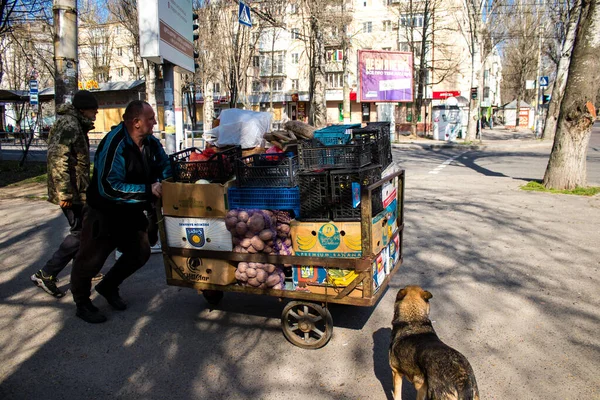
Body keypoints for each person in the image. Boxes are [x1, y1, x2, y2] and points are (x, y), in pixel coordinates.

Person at [70, 100, 171, 323]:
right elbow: (109, 186)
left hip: (130, 210)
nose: (155, 122)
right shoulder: (115, 144)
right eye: (151, 118)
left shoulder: (150, 142)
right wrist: (148, 189)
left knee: (140, 251)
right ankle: (82, 303)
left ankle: (108, 286)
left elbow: (164, 165)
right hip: (104, 211)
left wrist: (168, 178)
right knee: (90, 260)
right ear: (136, 122)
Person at [30, 90, 103, 298]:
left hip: (77, 189)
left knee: (84, 229)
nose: (95, 115)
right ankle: (46, 273)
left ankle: (83, 267)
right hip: (71, 191)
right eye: (93, 111)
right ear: (82, 110)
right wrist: (64, 193)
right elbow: (58, 159)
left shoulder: (75, 123)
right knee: (79, 232)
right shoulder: (69, 125)